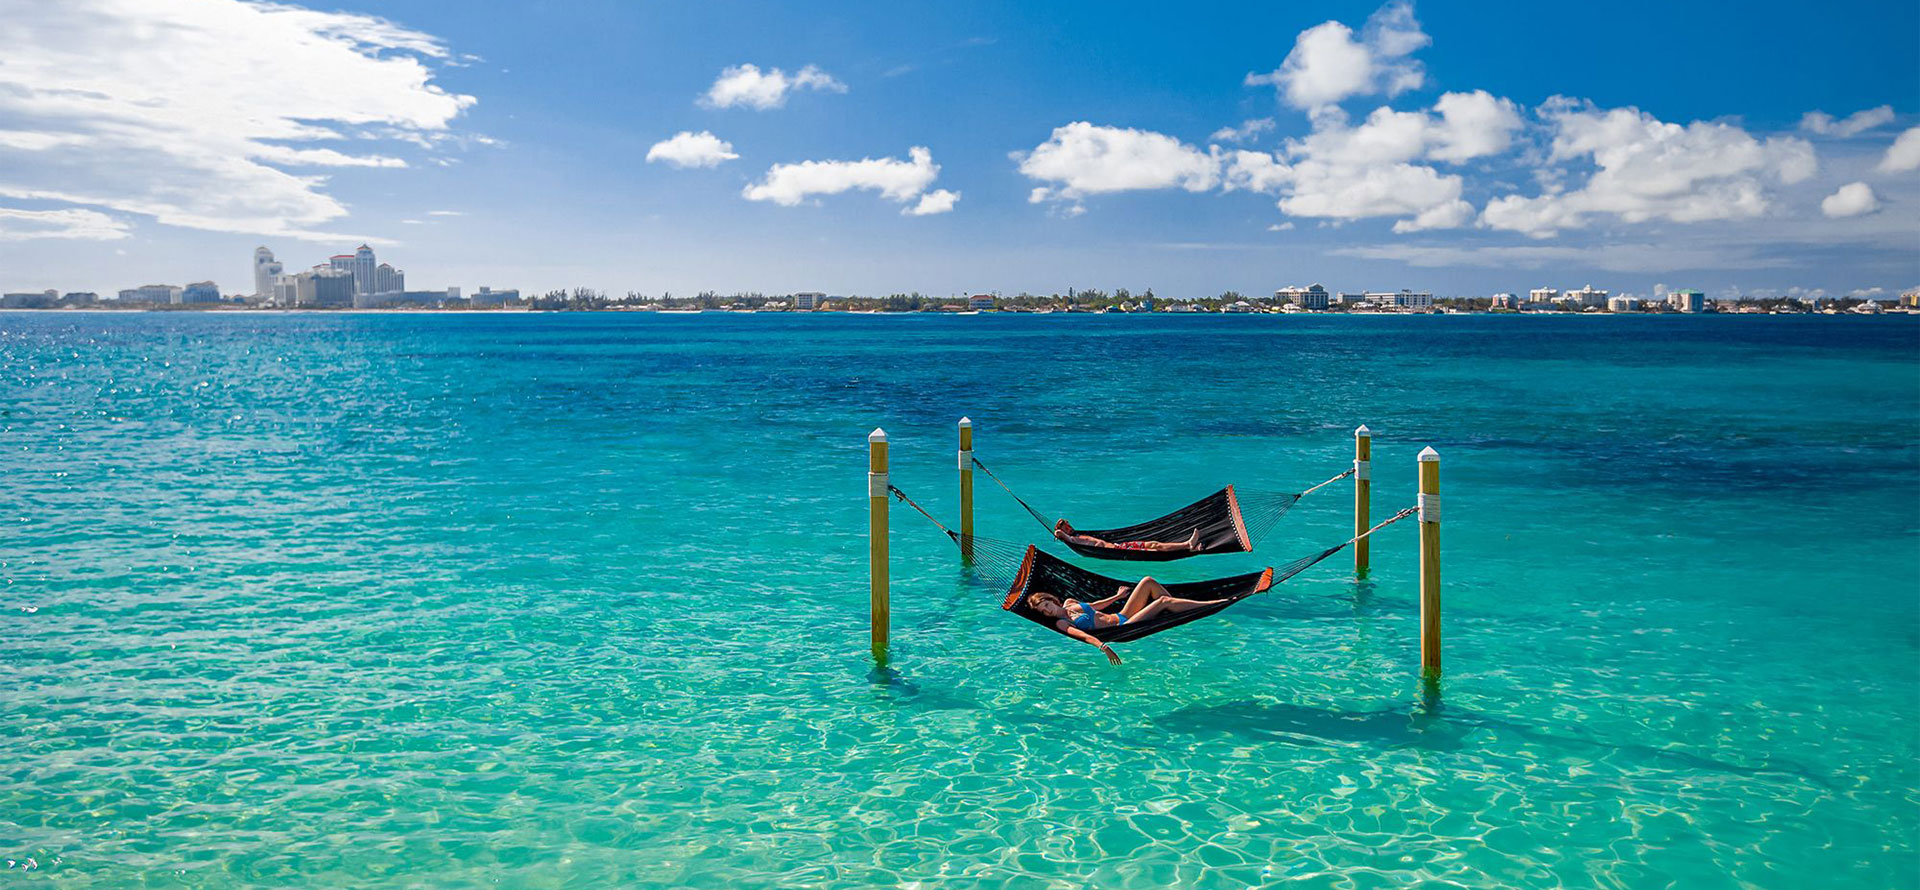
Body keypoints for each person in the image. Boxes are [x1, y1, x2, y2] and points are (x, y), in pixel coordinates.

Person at [1026, 577, 1208, 664]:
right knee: (1162, 601)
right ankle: (1208, 603)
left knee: (1147, 582)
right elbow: (1083, 636)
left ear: (1050, 599)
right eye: (1044, 612)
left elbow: (1096, 605)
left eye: (1046, 606)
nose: (1048, 611)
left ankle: (1175, 610)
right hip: (1124, 626)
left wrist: (1117, 596)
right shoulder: (1061, 623)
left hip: (1122, 615)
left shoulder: (1070, 603)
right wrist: (1103, 647)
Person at [1053, 518, 1202, 554]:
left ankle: (1189, 547)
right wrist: (1058, 531)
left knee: (1152, 544)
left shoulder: (1079, 535)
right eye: (1066, 526)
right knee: (1155, 549)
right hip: (1119, 552)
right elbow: (1059, 534)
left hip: (1120, 547)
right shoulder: (1073, 539)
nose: (1069, 527)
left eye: (1068, 525)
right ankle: (1187, 546)